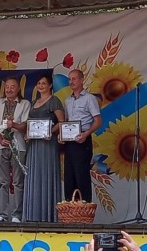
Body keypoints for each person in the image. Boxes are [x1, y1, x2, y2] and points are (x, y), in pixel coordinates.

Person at [23, 74, 65, 222]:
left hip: (48, 144)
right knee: (34, 177)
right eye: (39, 83)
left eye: (44, 83)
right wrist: (28, 134)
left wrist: (50, 132)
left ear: (50, 85)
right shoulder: (34, 102)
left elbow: (62, 121)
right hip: (34, 145)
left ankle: (48, 216)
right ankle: (33, 215)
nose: (41, 86)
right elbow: (29, 123)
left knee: (47, 175)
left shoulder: (54, 101)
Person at [0, 77, 29, 223]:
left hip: (18, 146)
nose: (9, 89)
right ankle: (3, 215)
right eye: (7, 87)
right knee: (3, 182)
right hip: (1, 146)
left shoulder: (25, 103)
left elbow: (25, 125)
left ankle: (17, 215)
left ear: (18, 89)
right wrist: (0, 140)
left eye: (13, 87)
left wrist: (13, 125)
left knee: (18, 181)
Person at [63, 69, 102, 202]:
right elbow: (66, 122)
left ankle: (85, 209)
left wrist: (86, 134)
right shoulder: (67, 101)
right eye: (69, 79)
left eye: (74, 79)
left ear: (82, 80)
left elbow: (98, 121)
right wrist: (62, 135)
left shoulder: (89, 98)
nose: (71, 82)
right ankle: (70, 208)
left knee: (82, 176)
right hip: (69, 142)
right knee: (69, 176)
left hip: (83, 141)